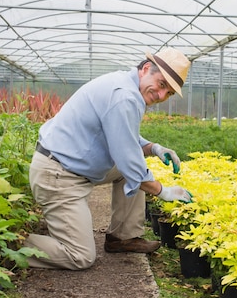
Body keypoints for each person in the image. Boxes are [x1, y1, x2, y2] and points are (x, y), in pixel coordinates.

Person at [25, 48, 193, 271]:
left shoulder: (125, 85)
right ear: (145, 69)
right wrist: (163, 191)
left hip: (70, 168)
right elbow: (129, 160)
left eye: (169, 93)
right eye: (162, 84)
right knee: (80, 256)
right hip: (59, 176)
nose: (162, 96)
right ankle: (9, 243)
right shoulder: (124, 95)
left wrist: (153, 148)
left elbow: (120, 134)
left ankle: (123, 237)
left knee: (129, 171)